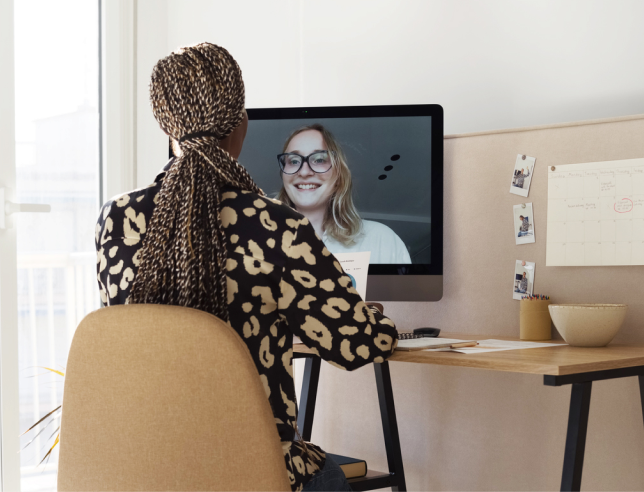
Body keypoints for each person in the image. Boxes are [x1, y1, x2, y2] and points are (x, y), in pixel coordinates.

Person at [95, 43, 398, 492]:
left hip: (142, 462)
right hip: (245, 465)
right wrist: (376, 319)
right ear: (242, 125)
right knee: (329, 474)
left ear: (167, 129)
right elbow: (355, 345)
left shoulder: (115, 219)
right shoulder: (275, 225)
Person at [276, 124, 411, 264]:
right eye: (294, 161)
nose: (304, 172)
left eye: (319, 160)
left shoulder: (381, 241)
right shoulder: (257, 241)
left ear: (339, 174)